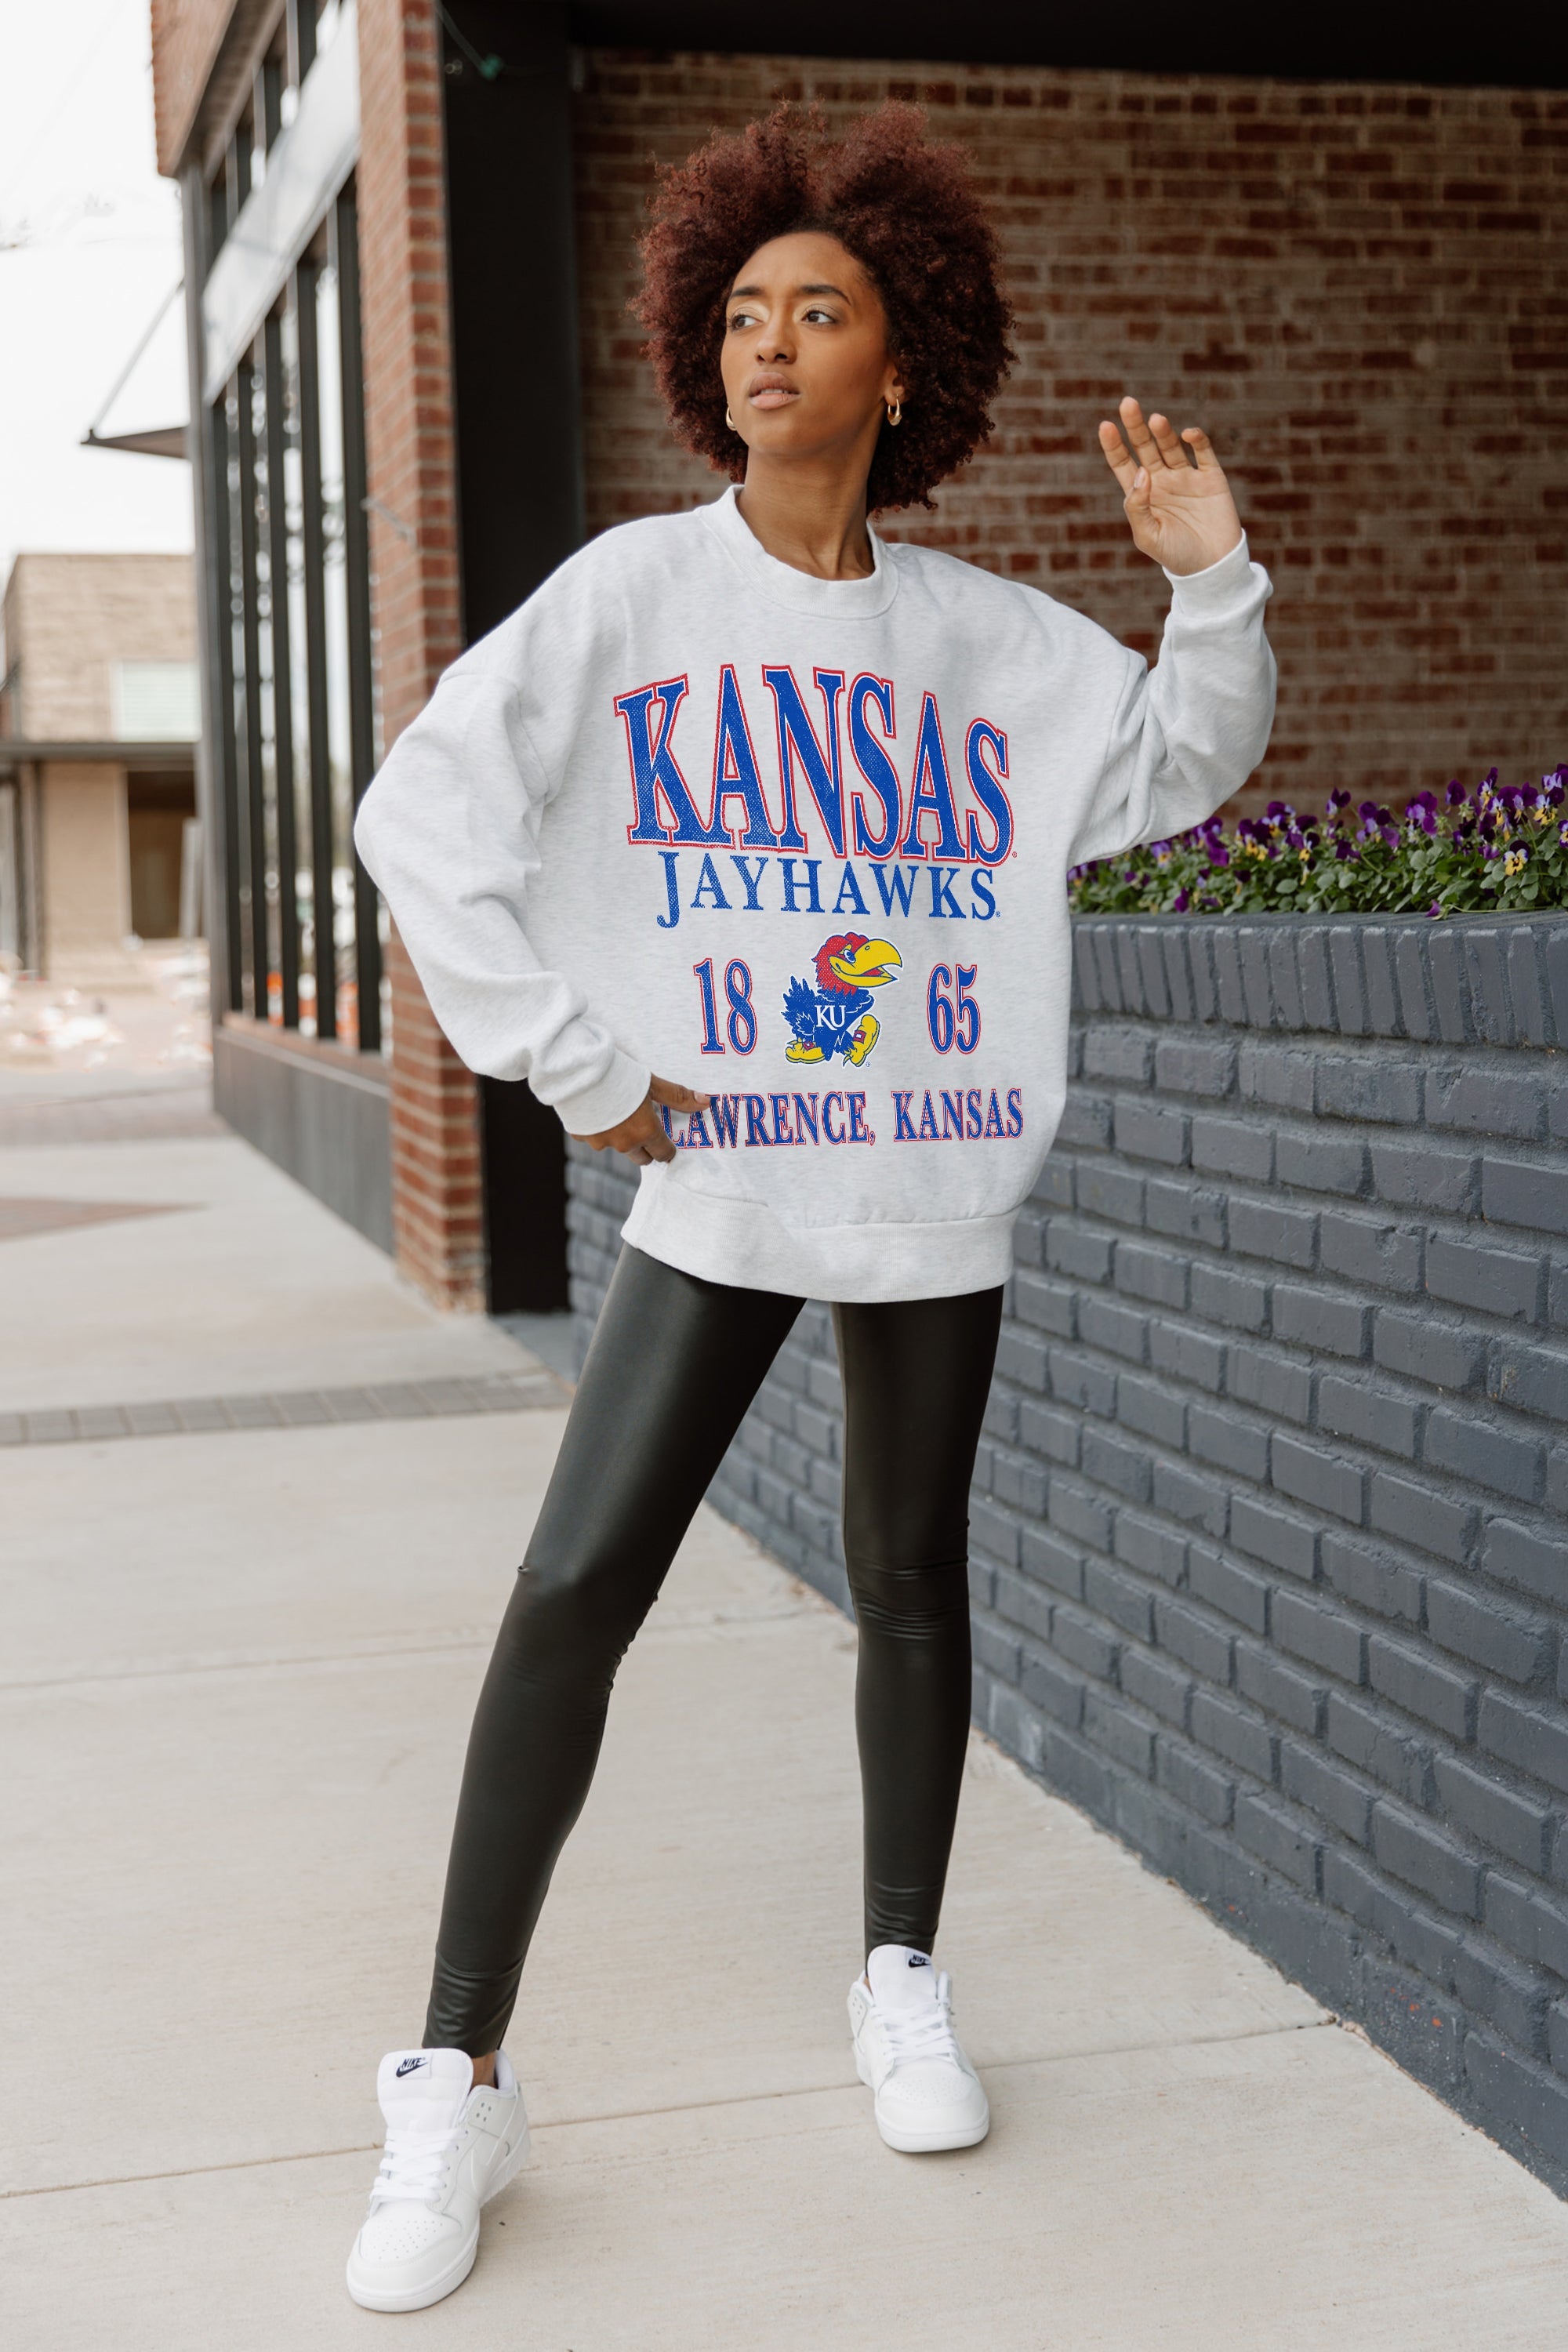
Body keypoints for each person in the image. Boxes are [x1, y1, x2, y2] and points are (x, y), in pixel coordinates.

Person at [343, 102, 1275, 2313]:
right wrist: (587, 1071)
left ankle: (901, 1973)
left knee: (911, 1581)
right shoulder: (634, 599)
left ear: (900, 362)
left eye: (819, 310)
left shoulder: (982, 640)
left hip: (931, 1162)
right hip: (726, 1169)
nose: (769, 342)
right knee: (576, 1587)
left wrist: (1210, 579)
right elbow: (419, 819)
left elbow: (1167, 766)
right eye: (744, 310)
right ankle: (456, 2075)